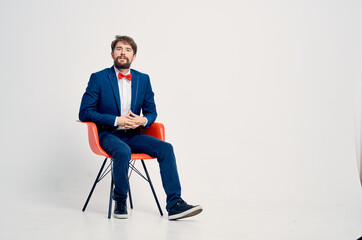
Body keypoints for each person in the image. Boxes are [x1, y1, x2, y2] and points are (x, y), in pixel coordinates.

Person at [79, 35, 202, 220]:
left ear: (134, 56)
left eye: (128, 50)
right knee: (122, 150)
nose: (123, 53)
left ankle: (175, 204)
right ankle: (120, 200)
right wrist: (116, 120)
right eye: (119, 49)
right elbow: (84, 113)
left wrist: (142, 121)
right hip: (107, 134)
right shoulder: (98, 78)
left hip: (134, 134)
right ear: (112, 53)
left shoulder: (143, 79)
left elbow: (152, 112)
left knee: (166, 148)